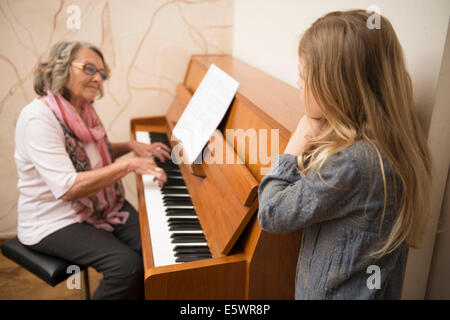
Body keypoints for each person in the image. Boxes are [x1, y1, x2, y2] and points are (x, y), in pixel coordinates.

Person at [257, 10, 432, 299]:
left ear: (335, 87)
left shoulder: (351, 164)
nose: (298, 83)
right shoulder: (390, 142)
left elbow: (272, 212)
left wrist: (297, 142)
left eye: (303, 75)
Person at [14, 41, 171, 299]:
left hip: (99, 205)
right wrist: (128, 165)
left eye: (102, 73)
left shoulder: (82, 110)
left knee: (157, 249)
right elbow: (68, 187)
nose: (98, 78)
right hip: (53, 219)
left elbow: (93, 154)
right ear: (62, 68)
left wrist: (131, 146)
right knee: (127, 267)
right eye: (89, 69)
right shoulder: (38, 118)